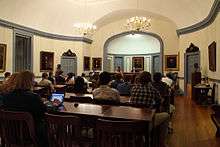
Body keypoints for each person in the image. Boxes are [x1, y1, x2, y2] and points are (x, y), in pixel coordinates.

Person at [2, 71, 47, 146]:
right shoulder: (34, 97)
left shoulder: (6, 96)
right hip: (30, 134)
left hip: (10, 134)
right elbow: (43, 113)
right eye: (33, 80)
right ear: (30, 82)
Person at [130, 71, 169, 147]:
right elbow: (160, 101)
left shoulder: (134, 88)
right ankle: (160, 142)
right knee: (166, 115)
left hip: (133, 119)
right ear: (149, 79)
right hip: (146, 122)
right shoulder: (152, 90)